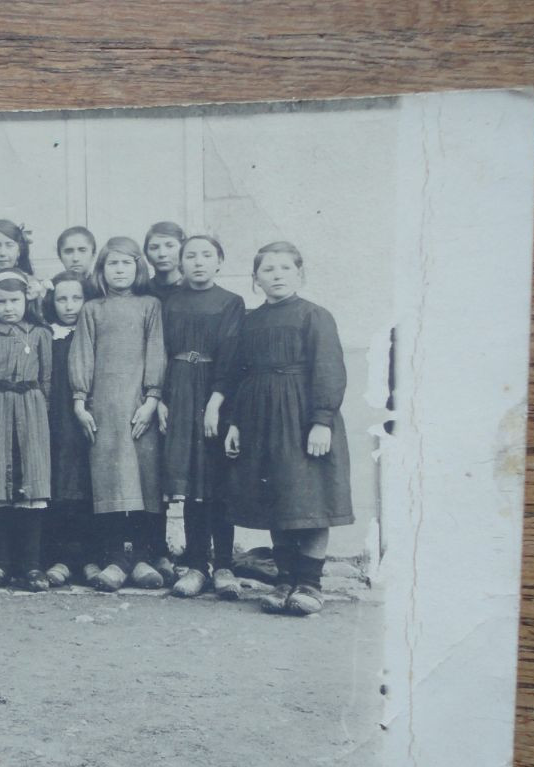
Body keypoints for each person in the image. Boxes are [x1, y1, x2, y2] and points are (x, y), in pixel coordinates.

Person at [219, 242, 355, 616]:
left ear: (300, 274)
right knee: (276, 497)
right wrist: (234, 424)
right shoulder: (248, 321)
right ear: (255, 279)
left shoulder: (315, 316)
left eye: (285, 268)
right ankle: (283, 580)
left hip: (302, 417)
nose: (277, 275)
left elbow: (329, 369)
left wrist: (321, 421)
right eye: (268, 269)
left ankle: (309, 584)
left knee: (309, 499)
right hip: (259, 418)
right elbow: (237, 376)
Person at [71, 236, 167, 592]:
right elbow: (82, 355)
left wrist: (152, 399)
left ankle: (141, 558)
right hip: (103, 407)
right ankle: (114, 558)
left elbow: (156, 352)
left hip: (138, 406)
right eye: (113, 263)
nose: (120, 270)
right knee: (110, 481)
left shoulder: (150, 306)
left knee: (142, 481)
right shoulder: (92, 310)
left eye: (126, 263)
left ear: (138, 267)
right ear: (102, 270)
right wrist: (80, 401)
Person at [160, 234, 246, 599]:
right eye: (190, 256)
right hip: (178, 392)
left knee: (217, 481)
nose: (198, 261)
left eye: (206, 255)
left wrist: (215, 401)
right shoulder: (170, 302)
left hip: (216, 393)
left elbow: (232, 354)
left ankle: (223, 564)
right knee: (190, 486)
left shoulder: (231, 302)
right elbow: (159, 351)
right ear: (181, 263)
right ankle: (196, 565)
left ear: (219, 261)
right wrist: (161, 398)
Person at [0, 272, 53, 591]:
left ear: (27, 301)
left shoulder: (40, 333)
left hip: (31, 410)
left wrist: (43, 417)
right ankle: (0, 564)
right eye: (1, 301)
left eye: (15, 300)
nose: (8, 307)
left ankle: (31, 566)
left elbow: (47, 379)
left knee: (31, 488)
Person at [42, 270, 95, 586]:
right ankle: (61, 557)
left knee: (89, 485)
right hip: (56, 418)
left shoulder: (93, 332)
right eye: (62, 298)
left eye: (77, 298)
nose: (70, 305)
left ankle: (90, 558)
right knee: (60, 484)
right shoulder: (47, 334)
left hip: (88, 415)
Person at [143, 221, 186, 303]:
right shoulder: (141, 291)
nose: (162, 254)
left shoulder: (194, 289)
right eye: (154, 248)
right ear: (147, 254)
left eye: (170, 246)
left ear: (183, 250)